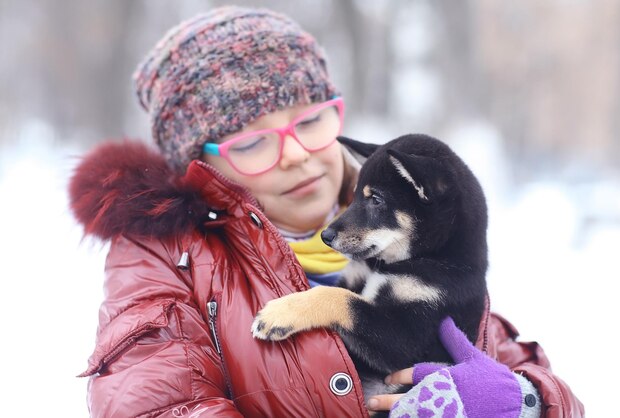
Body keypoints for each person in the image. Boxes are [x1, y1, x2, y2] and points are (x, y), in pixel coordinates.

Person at [69, 6, 584, 418]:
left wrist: (526, 402)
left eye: (311, 120)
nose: (296, 153)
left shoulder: (410, 234)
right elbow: (156, 404)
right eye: (253, 143)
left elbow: (539, 385)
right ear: (202, 166)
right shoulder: (167, 259)